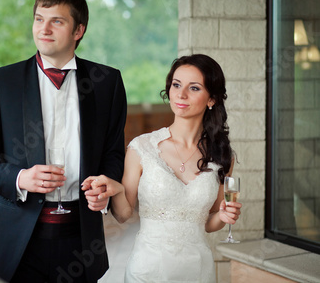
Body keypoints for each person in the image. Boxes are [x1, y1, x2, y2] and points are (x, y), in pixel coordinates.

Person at [0, 0, 127, 283]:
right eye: (39, 19)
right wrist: (20, 178)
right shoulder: (0, 82)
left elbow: (113, 152)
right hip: (20, 242)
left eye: (57, 21)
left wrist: (104, 184)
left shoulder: (107, 82)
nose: (44, 28)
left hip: (81, 240)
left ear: (78, 30)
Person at [82, 54, 242, 282]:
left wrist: (224, 216)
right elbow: (123, 214)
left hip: (198, 271)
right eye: (176, 85)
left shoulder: (222, 155)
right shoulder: (142, 147)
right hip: (147, 271)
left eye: (194, 88)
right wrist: (116, 189)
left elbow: (209, 222)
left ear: (211, 99)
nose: (181, 94)